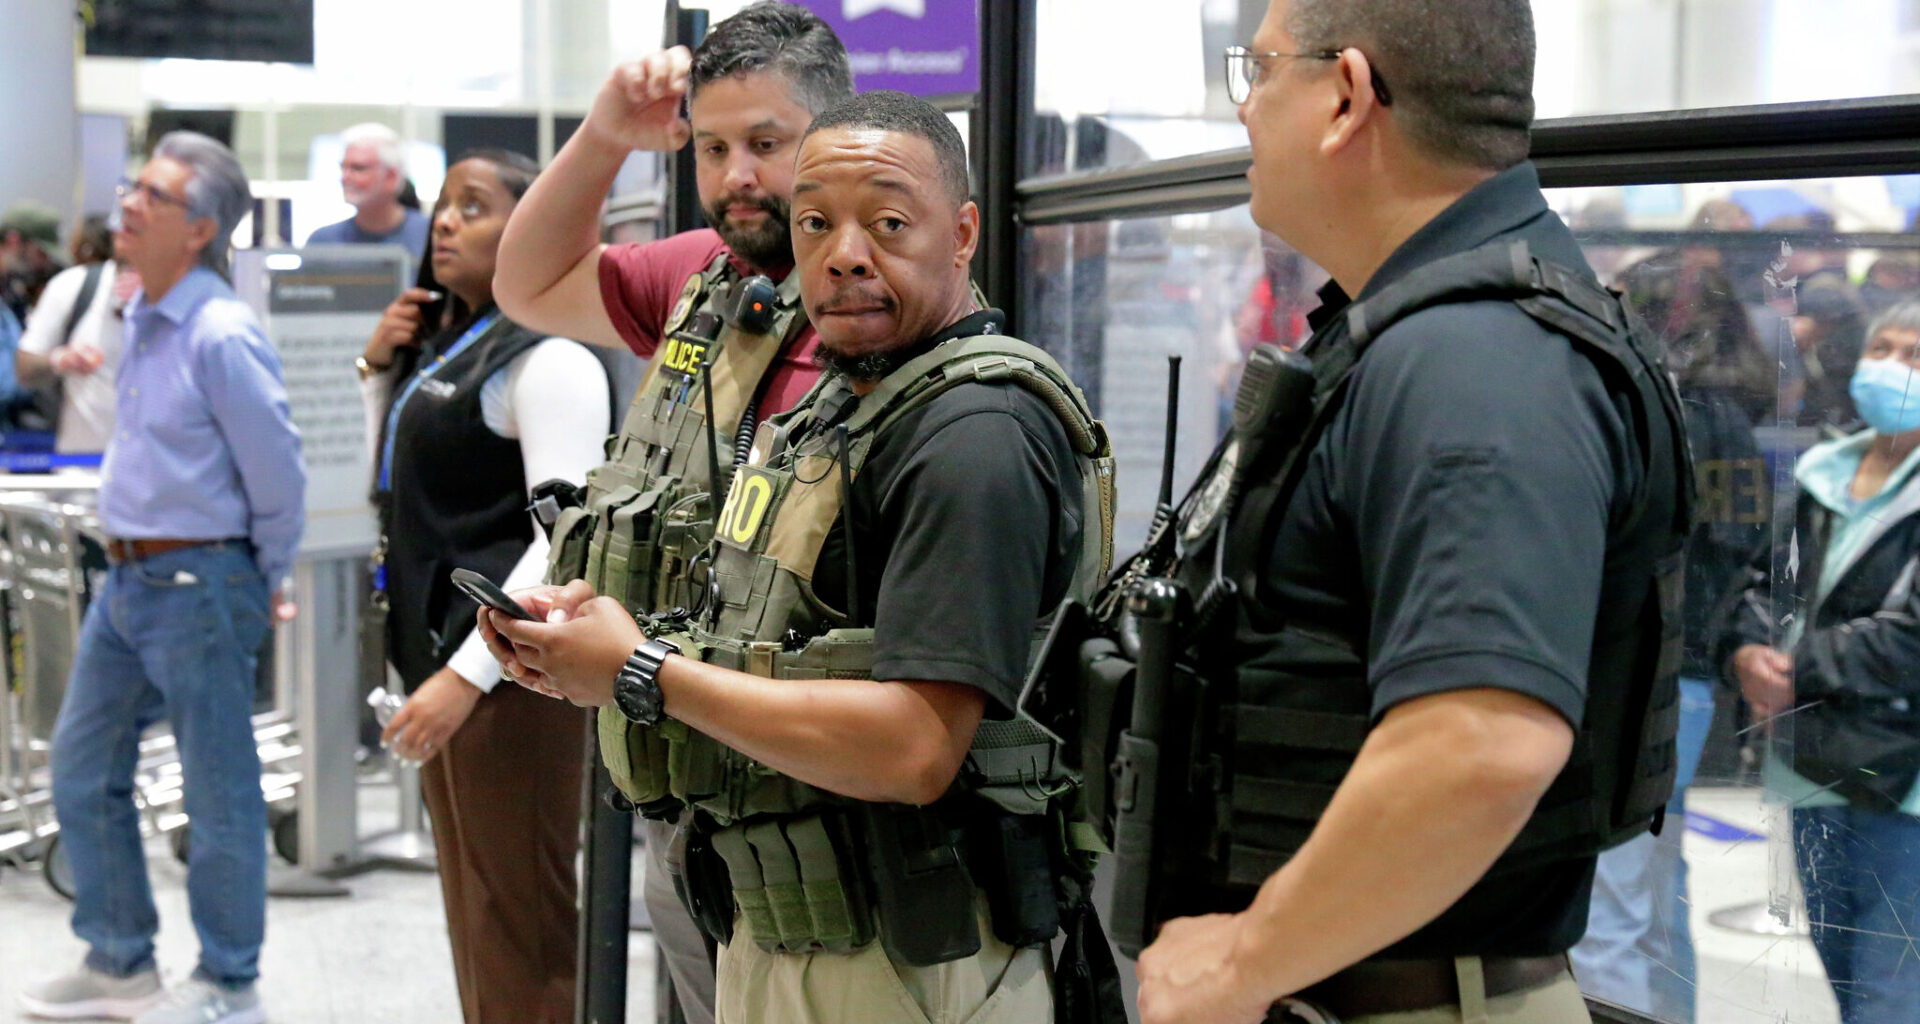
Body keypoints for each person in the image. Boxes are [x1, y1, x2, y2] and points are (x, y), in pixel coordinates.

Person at [1106, 3, 1693, 1023]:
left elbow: (1482, 742)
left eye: (1262, 70)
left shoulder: (1476, 359)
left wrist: (1247, 956)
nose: (1245, 110)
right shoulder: (1420, 337)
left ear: (1347, 95)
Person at [482, 91, 1113, 1024]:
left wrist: (644, 671)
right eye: (815, 222)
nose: (845, 252)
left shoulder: (975, 434)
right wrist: (597, 647)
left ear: (964, 232)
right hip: (799, 932)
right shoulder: (852, 405)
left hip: (911, 958)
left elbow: (914, 748)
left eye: (889, 223)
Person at [493, 6, 853, 1022]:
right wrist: (607, 133)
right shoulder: (701, 279)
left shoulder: (884, 303)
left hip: (825, 810)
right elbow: (527, 282)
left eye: (767, 145)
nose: (738, 172)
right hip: (686, 783)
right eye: (713, 146)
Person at [17, 131, 306, 1024]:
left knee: (216, 787)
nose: (128, 203)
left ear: (200, 227)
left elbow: (279, 473)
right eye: (131, 185)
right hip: (128, 580)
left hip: (201, 580)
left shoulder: (220, 333)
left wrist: (263, 576)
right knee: (80, 762)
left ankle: (229, 982)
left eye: (153, 193)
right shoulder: (143, 312)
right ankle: (119, 958)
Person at [357, 149, 610, 1024]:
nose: (446, 221)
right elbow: (391, 492)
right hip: (447, 664)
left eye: (477, 204)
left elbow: (562, 544)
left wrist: (464, 680)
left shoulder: (551, 358)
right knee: (475, 912)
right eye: (444, 204)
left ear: (535, 227)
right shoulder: (447, 347)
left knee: (521, 923)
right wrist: (377, 376)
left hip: (512, 679)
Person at [1571, 253, 1775, 1021]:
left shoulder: (1676, 411)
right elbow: (1739, 548)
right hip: (1686, 677)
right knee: (1654, 892)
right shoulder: (1727, 415)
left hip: (1648, 676)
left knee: (1614, 906)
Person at [1718, 301, 1920, 1024]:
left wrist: (1795, 665)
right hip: (1811, 761)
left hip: (1906, 785)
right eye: (1883, 348)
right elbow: (1759, 583)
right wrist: (1746, 652)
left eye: (1914, 355)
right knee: (1844, 979)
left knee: (1891, 994)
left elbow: (1911, 638)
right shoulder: (1822, 471)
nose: (1892, 368)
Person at [16, 221, 134, 453]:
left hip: (158, 478)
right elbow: (24, 368)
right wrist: (60, 359)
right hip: (79, 468)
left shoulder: (190, 299)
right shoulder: (72, 286)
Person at [307, 123, 430, 253]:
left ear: (391, 176)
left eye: (358, 168)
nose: (345, 178)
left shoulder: (432, 237)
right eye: (343, 167)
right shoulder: (322, 243)